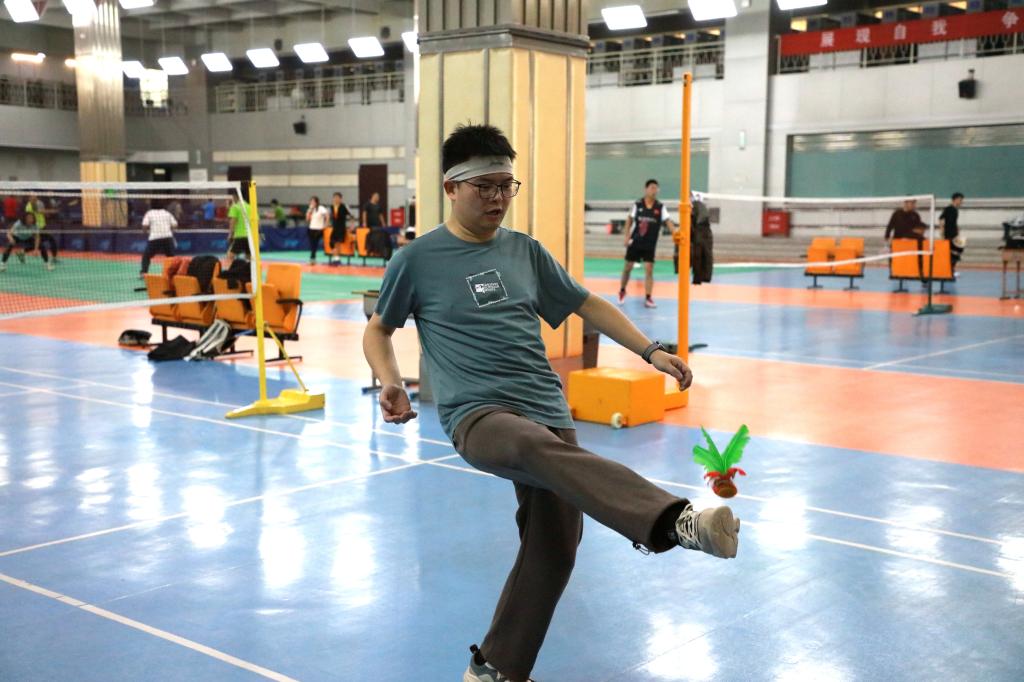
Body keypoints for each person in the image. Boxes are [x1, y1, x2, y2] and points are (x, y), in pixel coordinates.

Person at [362, 124, 740, 682]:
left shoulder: (524, 252)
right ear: (451, 187)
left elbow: (586, 303)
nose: (497, 198)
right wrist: (391, 379)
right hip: (479, 415)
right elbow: (378, 329)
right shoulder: (417, 260)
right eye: (485, 187)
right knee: (530, 447)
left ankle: (495, 670)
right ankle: (675, 520)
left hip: (546, 408)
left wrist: (651, 350)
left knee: (556, 544)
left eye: (506, 186)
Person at [618, 179, 675, 309]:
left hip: (650, 244)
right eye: (652, 188)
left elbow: (668, 221)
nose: (654, 190)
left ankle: (648, 297)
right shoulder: (638, 204)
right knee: (627, 267)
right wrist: (626, 236)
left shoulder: (660, 207)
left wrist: (675, 234)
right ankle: (622, 290)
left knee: (649, 270)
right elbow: (629, 220)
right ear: (646, 189)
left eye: (656, 188)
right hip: (635, 242)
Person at [139, 199, 177, 276]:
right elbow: (175, 225)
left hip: (155, 237)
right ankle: (174, 273)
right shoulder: (167, 213)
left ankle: (144, 272)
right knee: (171, 257)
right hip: (167, 237)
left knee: (146, 256)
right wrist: (170, 231)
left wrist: (145, 232)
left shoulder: (149, 213)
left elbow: (145, 226)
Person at [25, 193, 59, 265]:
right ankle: (50, 260)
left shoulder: (38, 202)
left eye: (36, 198)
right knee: (44, 242)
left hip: (42, 227)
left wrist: (47, 214)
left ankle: (22, 252)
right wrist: (52, 211)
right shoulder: (28, 207)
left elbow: (42, 212)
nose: (35, 199)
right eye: (33, 198)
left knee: (43, 242)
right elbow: (38, 211)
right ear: (29, 199)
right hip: (35, 228)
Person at [940, 192, 965, 275]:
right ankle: (949, 270)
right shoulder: (948, 209)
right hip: (948, 234)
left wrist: (957, 229)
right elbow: (941, 219)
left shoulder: (956, 210)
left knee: (959, 249)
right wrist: (942, 233)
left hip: (955, 234)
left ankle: (952, 269)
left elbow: (954, 222)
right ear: (955, 199)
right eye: (960, 200)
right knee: (951, 252)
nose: (961, 202)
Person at [327, 192, 352, 265]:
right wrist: (327, 224)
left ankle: (337, 259)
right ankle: (336, 257)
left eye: (338, 198)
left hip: (341, 227)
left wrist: (351, 226)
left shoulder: (344, 206)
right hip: (334, 227)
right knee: (332, 243)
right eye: (335, 198)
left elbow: (351, 216)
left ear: (341, 199)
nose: (336, 199)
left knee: (338, 243)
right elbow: (329, 216)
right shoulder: (331, 207)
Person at [225, 193, 250, 264]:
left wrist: (230, 235)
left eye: (233, 198)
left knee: (230, 256)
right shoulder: (250, 207)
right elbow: (256, 222)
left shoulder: (235, 207)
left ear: (236, 197)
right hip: (250, 236)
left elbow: (233, 221)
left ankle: (230, 270)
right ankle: (249, 270)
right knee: (249, 256)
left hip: (240, 235)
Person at [305, 195, 329, 265]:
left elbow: (327, 215)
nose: (312, 203)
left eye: (313, 201)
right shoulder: (310, 209)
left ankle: (312, 259)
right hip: (311, 228)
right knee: (312, 245)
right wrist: (310, 210)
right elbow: (307, 219)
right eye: (311, 201)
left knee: (315, 244)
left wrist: (326, 224)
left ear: (317, 202)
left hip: (318, 229)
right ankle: (313, 259)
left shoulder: (321, 208)